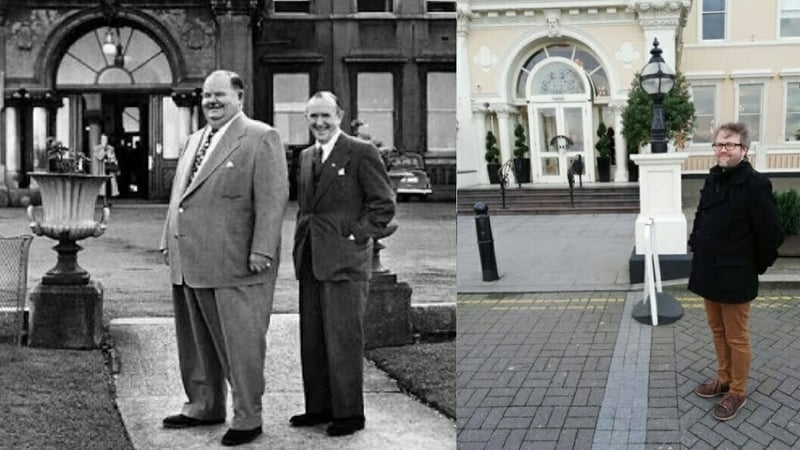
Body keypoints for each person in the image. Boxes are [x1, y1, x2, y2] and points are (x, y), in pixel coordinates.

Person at [158, 70, 289, 447]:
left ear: (240, 98)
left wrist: (262, 249)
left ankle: (248, 416)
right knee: (195, 341)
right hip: (189, 258)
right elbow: (180, 196)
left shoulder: (261, 137)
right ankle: (204, 403)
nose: (211, 102)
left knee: (241, 343)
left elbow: (272, 199)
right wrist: (168, 237)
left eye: (220, 95)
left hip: (237, 262)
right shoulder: (195, 140)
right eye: (206, 96)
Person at [290, 91, 396, 436]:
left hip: (345, 262)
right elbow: (307, 208)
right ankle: (319, 408)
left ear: (339, 115)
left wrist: (356, 236)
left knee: (344, 338)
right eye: (313, 117)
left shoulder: (361, 152)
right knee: (314, 338)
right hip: (311, 260)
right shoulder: (306, 156)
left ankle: (350, 414)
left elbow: (383, 205)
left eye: (326, 116)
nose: (319, 123)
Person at [688, 122, 784, 421]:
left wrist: (754, 266)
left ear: (744, 149)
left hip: (736, 273)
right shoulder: (714, 177)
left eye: (729, 145)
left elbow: (772, 233)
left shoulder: (755, 184)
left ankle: (737, 392)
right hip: (708, 269)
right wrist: (695, 244)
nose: (723, 150)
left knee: (737, 336)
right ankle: (724, 379)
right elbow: (703, 217)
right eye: (718, 144)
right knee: (717, 331)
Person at [92, 134, 120, 205]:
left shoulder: (111, 148)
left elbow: (113, 157)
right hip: (102, 169)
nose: (104, 141)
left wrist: (111, 159)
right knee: (103, 186)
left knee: (110, 185)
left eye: (105, 139)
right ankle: (104, 201)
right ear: (101, 140)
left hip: (110, 169)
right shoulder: (97, 148)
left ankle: (109, 200)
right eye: (103, 139)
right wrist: (104, 150)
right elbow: (99, 157)